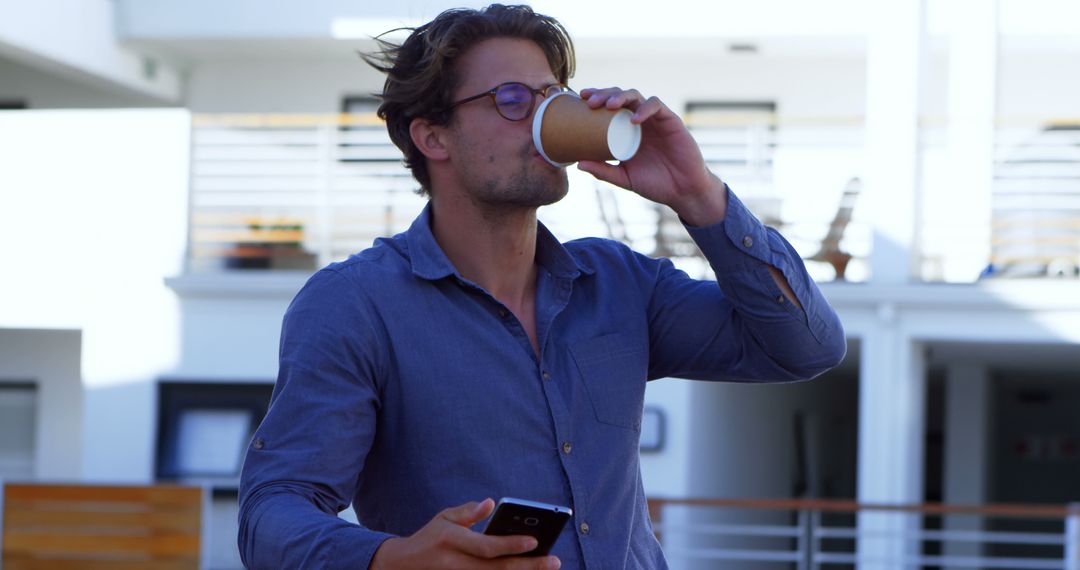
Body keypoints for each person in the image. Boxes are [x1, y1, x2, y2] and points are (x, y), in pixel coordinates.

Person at [237, 4, 846, 569]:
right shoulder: (356, 305)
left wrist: (698, 194)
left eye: (554, 95)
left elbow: (805, 347)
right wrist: (389, 559)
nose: (544, 119)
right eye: (512, 99)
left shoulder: (619, 283)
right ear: (433, 137)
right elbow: (273, 509)